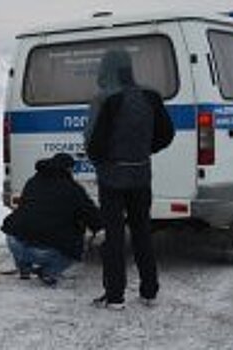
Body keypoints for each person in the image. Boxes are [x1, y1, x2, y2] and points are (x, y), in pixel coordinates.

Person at [84, 49, 175, 309]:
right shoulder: (151, 96)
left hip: (112, 178)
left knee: (113, 237)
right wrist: (145, 151)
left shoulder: (105, 99)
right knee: (142, 232)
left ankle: (115, 296)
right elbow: (166, 134)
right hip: (141, 175)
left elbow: (93, 142)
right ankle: (149, 291)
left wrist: (103, 161)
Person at [0, 153, 103, 287]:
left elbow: (24, 209)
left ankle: (24, 268)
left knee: (22, 230)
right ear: (68, 169)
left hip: (15, 243)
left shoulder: (32, 181)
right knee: (76, 248)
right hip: (46, 252)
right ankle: (48, 272)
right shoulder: (73, 189)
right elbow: (92, 216)